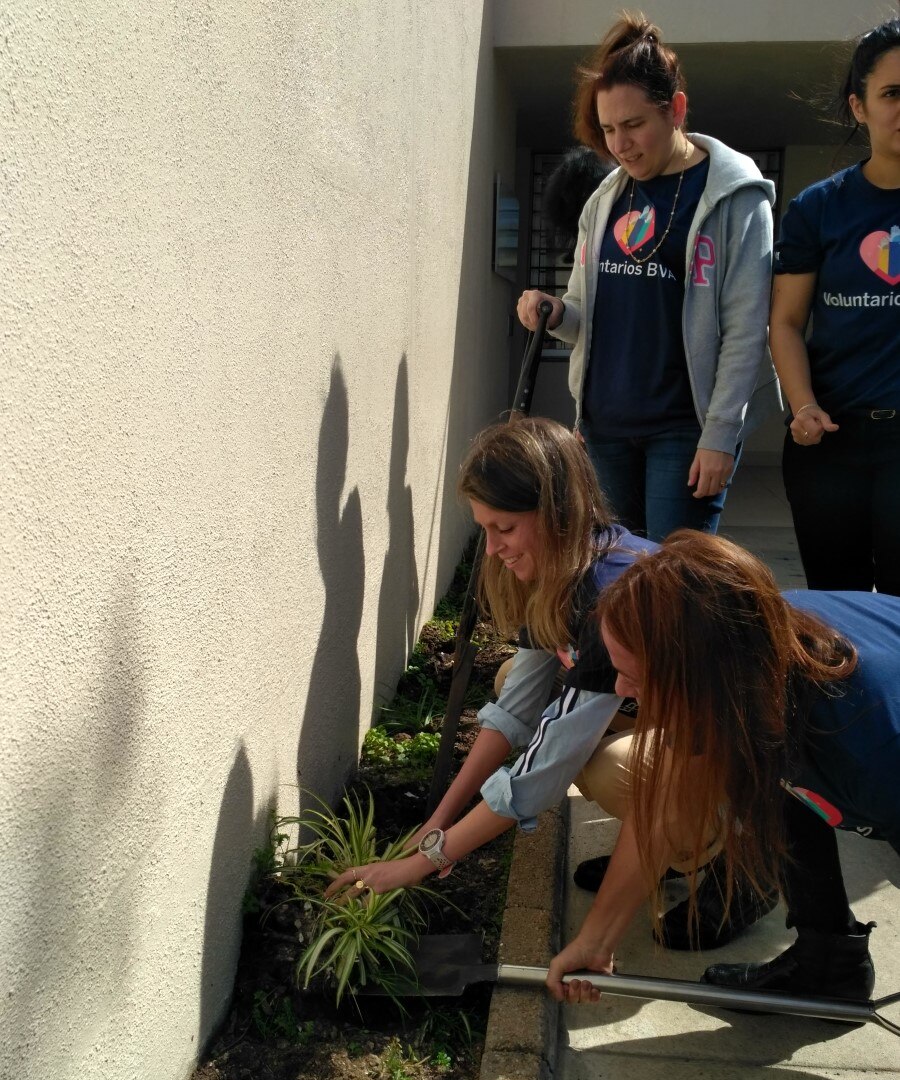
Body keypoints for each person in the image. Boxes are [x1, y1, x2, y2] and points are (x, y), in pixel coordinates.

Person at [327, 419, 774, 949]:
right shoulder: (561, 570)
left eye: (505, 528)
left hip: (747, 757)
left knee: (611, 770)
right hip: (679, 718)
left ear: (557, 514)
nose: (491, 549)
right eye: (484, 528)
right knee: (514, 677)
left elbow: (549, 764)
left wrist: (425, 862)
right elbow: (516, 708)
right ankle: (663, 838)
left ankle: (727, 855)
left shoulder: (610, 595)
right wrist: (439, 821)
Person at [546, 529, 899, 1006]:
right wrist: (595, 942)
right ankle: (829, 960)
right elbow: (661, 807)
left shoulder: (872, 748)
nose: (622, 690)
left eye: (634, 676)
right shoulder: (736, 652)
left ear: (699, 675)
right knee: (768, 769)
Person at [517, 14, 780, 543]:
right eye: (609, 129)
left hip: (685, 431)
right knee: (616, 583)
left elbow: (747, 329)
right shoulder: (604, 200)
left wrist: (722, 435)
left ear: (676, 109)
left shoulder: (735, 197)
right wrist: (555, 311)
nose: (620, 144)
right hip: (604, 428)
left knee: (672, 588)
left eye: (634, 125)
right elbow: (586, 312)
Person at [771, 19, 900, 596]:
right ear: (859, 106)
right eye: (892, 94)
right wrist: (802, 406)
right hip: (831, 447)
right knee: (839, 617)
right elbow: (787, 322)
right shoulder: (817, 209)